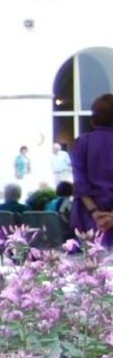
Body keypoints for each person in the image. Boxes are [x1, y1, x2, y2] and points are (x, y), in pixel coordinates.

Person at [70, 93, 113, 248]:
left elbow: (79, 182)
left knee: (89, 267)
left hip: (87, 217)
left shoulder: (82, 142)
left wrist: (95, 212)